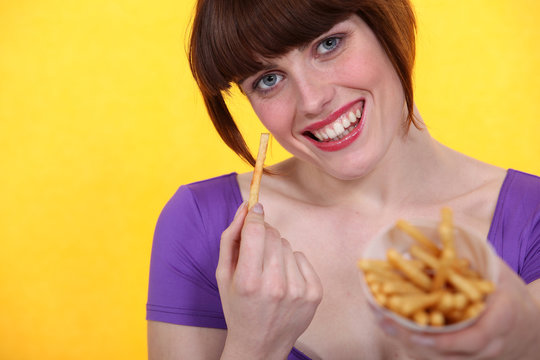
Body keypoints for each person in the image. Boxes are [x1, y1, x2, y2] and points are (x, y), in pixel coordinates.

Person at [146, 0, 540, 358]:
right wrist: (255, 346)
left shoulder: (532, 218)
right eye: (268, 79)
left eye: (329, 44)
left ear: (387, 22)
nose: (312, 100)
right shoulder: (199, 224)